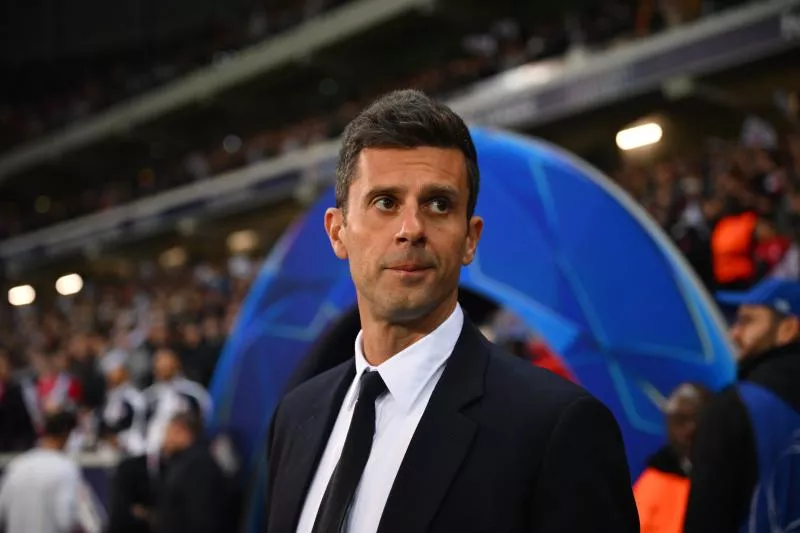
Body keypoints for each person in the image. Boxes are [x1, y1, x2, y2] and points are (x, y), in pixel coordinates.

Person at [264, 89, 639, 533]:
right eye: (385, 202)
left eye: (438, 204)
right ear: (337, 231)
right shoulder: (296, 416)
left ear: (470, 239)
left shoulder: (557, 429)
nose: (412, 229)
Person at [684, 278, 800, 532]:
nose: (733, 333)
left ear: (789, 329)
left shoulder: (735, 409)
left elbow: (707, 518)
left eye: (747, 321)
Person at [0, 411, 104, 533]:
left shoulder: (16, 466)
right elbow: (68, 520)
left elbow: (2, 513)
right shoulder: (65, 469)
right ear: (67, 434)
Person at [634, 383, 710, 533]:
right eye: (681, 420)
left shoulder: (733, 478)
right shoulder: (650, 485)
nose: (690, 429)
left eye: (698, 418)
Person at [153, 413, 227, 533]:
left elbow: (201, 517)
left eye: (169, 432)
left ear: (183, 431)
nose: (165, 439)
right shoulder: (182, 462)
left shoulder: (200, 465)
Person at [143, 347, 211, 455]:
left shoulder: (193, 393)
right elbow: (139, 427)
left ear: (176, 364)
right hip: (151, 453)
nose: (163, 368)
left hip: (186, 453)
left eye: (167, 364)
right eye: (159, 364)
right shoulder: (148, 397)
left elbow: (206, 420)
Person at [0, 349, 36, 452]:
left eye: (6, 365)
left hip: (13, 448)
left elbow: (25, 423)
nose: (5, 369)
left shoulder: (16, 391)